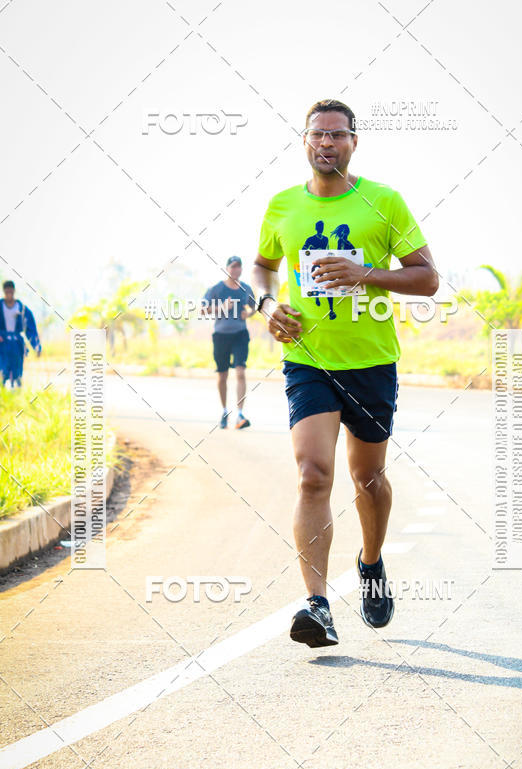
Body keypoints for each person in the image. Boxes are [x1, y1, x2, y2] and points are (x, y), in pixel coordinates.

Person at [252, 98, 439, 648]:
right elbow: (262, 268)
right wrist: (267, 307)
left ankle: (371, 561)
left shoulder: (383, 202)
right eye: (316, 134)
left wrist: (366, 275)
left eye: (336, 135)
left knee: (368, 480)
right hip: (307, 360)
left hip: (371, 362)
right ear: (304, 141)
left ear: (354, 142)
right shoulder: (282, 206)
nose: (325, 143)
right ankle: (317, 605)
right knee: (313, 474)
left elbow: (428, 278)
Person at [203, 256, 256, 429]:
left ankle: (240, 414)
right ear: (227, 269)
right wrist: (222, 307)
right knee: (222, 375)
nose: (236, 270)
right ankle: (225, 411)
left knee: (241, 372)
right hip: (221, 335)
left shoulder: (245, 288)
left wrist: (247, 314)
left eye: (239, 267)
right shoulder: (216, 289)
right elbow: (204, 309)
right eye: (233, 266)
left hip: (240, 334)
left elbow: (254, 306)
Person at [0, 281, 42, 388]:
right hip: (2, 344)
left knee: (17, 372)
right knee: (3, 371)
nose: (9, 292)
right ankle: (4, 396)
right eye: (7, 290)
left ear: (14, 291)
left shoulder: (22, 309)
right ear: (4, 291)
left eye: (11, 290)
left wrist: (36, 346)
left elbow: (30, 328)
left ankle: (18, 396)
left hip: (17, 344)